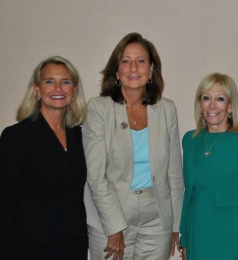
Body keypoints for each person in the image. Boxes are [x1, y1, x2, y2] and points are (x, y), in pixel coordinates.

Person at [82, 32, 184, 260]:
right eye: (126, 61)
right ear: (117, 72)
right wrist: (114, 227)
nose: (133, 68)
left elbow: (174, 172)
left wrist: (176, 222)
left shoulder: (167, 109)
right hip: (111, 211)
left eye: (141, 61)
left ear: (151, 71)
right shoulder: (99, 109)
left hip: (157, 216)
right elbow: (96, 176)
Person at [0, 56, 88, 259]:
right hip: (30, 250)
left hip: (73, 247)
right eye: (49, 82)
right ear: (37, 89)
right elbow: (3, 206)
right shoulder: (17, 137)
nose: (58, 88)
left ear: (75, 90)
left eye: (65, 82)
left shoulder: (79, 136)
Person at [179, 72, 238, 259]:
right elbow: (189, 195)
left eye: (220, 99)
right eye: (206, 98)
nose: (212, 105)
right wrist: (185, 239)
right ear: (199, 104)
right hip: (198, 235)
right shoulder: (190, 140)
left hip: (234, 238)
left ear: (231, 106)